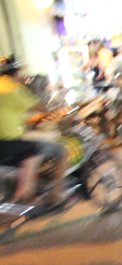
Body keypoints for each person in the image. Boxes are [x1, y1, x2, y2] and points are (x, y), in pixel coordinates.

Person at [0, 56, 67, 204]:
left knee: (32, 146)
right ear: (16, 73)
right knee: (57, 150)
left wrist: (33, 120)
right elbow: (41, 107)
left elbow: (11, 114)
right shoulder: (11, 88)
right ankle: (53, 195)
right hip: (8, 143)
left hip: (6, 142)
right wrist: (58, 104)